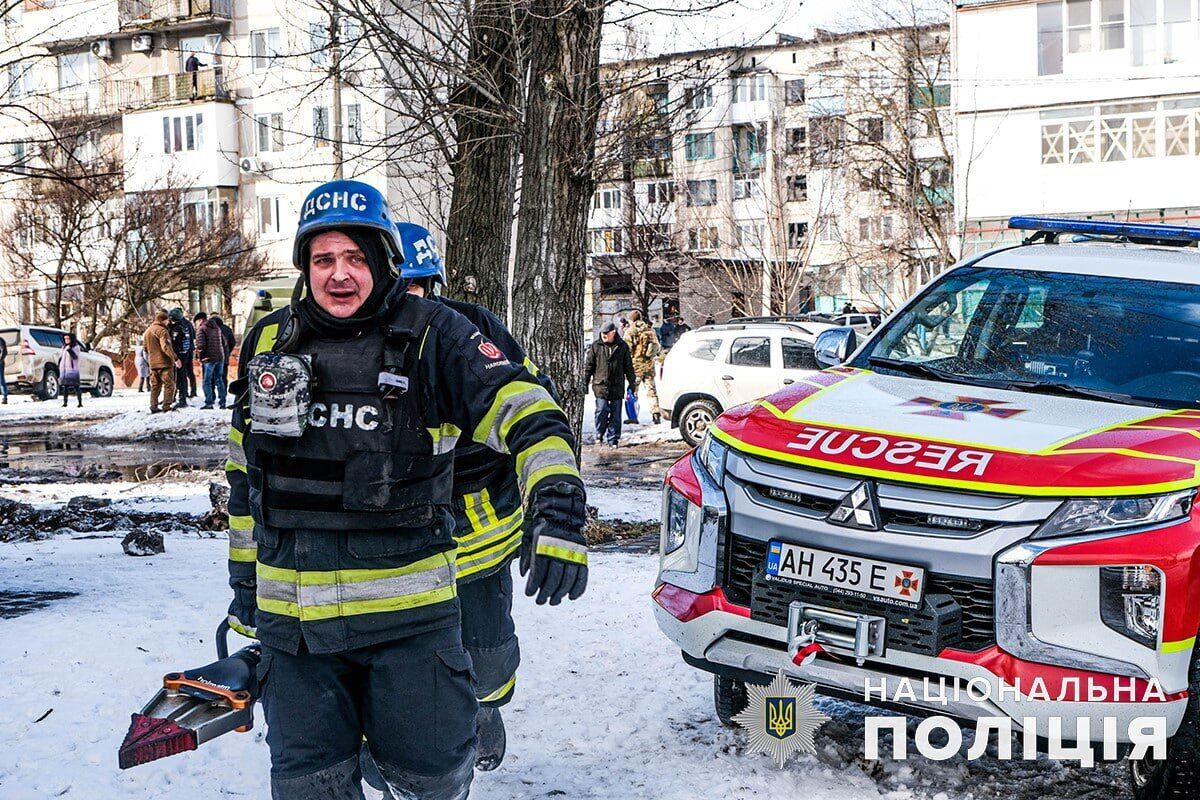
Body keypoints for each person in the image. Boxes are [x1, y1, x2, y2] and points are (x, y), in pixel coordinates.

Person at [224, 180, 588, 800]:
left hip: (409, 630)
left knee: (430, 781)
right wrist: (245, 597)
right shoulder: (269, 342)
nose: (339, 275)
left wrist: (556, 513)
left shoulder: (437, 337)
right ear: (304, 266)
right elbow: (244, 481)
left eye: (356, 258)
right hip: (298, 635)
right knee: (309, 787)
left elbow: (532, 416)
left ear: (384, 260)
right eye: (323, 260)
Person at [389, 220, 564, 776]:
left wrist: (549, 509)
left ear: (433, 285)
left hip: (481, 526)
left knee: (487, 654)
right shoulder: (356, 343)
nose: (405, 303)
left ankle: (486, 708)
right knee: (399, 658)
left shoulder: (471, 330)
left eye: (415, 289)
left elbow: (530, 398)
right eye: (395, 288)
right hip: (399, 544)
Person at [585, 321, 636, 447]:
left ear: (613, 333)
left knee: (615, 414)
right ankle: (599, 433)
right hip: (600, 385)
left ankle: (613, 439)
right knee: (601, 410)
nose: (604, 335)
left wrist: (632, 383)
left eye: (606, 333)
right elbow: (589, 367)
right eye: (602, 333)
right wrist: (584, 383)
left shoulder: (622, 346)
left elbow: (628, 367)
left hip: (617, 386)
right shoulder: (595, 346)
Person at [624, 309, 662, 425]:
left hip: (635, 366)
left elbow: (626, 350)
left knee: (632, 391)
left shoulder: (630, 331)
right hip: (649, 366)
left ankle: (633, 416)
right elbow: (657, 347)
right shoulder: (650, 330)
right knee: (651, 391)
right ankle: (656, 415)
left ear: (631, 319)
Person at [143, 311, 179, 413]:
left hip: (153, 364)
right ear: (163, 320)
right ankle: (166, 406)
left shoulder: (148, 331)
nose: (169, 322)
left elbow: (145, 349)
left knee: (155, 386)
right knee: (169, 385)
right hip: (164, 363)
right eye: (167, 320)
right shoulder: (163, 331)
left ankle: (153, 406)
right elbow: (166, 347)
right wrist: (175, 358)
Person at [196, 312, 228, 409]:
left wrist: (200, 357)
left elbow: (201, 346)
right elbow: (224, 342)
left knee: (207, 381)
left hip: (208, 358)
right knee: (219, 379)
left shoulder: (201, 329)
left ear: (200, 320)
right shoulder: (217, 328)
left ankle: (209, 402)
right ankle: (223, 402)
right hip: (220, 357)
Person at [168, 308, 195, 406]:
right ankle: (182, 397)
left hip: (179, 356)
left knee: (180, 378)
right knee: (183, 376)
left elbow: (174, 344)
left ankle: (182, 399)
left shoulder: (177, 329)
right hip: (186, 354)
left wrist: (174, 357)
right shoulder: (185, 326)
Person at [58, 333, 84, 408]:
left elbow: (75, 357)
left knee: (76, 386)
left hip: (73, 369)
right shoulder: (63, 347)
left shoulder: (76, 347)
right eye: (65, 339)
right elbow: (61, 357)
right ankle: (65, 403)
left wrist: (69, 350)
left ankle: (80, 402)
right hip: (64, 369)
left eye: (68, 339)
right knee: (65, 387)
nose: (66, 340)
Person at [0, 334, 8, 404]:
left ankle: (4, 397)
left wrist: (0, 360)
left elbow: (4, 351)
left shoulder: (0, 340)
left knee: (1, 380)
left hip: (0, 362)